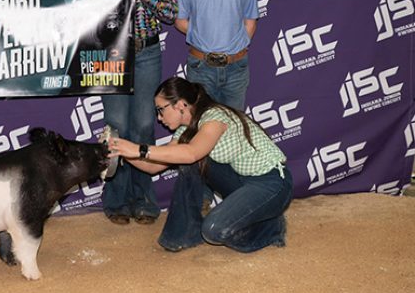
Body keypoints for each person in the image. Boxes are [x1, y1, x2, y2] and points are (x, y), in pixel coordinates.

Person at [109, 76, 293, 253]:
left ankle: (271, 228)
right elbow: (154, 166)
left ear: (180, 104)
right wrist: (122, 153)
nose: (159, 117)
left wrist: (138, 149)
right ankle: (184, 235)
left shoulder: (214, 118)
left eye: (161, 109)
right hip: (242, 182)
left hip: (272, 184)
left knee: (213, 230)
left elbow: (191, 153)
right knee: (183, 158)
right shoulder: (186, 130)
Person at [82, 0, 178, 225]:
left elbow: (170, 13)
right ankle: (117, 198)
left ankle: (144, 197)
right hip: (110, 55)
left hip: (147, 51)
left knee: (143, 125)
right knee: (117, 126)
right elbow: (83, 17)